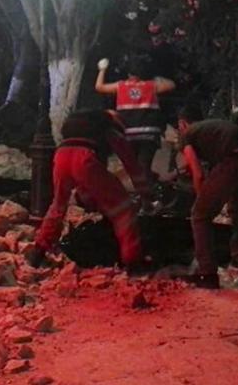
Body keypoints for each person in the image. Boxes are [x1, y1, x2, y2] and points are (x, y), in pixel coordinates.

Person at [28, 109, 151, 269]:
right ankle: (133, 261)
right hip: (84, 159)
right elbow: (131, 165)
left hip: (61, 156)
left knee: (58, 205)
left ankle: (38, 251)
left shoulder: (81, 122)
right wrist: (146, 195)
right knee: (123, 209)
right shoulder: (110, 129)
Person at [177, 106, 238, 289]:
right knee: (237, 207)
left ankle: (206, 273)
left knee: (199, 215)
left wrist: (202, 201)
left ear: (182, 123)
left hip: (233, 160)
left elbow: (198, 173)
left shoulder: (186, 134)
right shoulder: (209, 128)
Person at [94, 55, 176, 185]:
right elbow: (171, 85)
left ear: (128, 73)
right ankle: (149, 195)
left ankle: (145, 196)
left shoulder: (120, 86)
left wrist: (102, 70)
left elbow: (99, 87)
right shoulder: (152, 86)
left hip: (128, 136)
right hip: (149, 136)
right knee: (144, 166)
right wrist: (155, 76)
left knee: (135, 169)